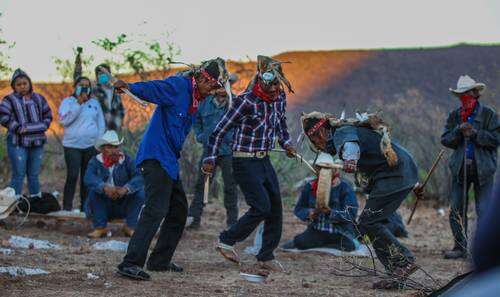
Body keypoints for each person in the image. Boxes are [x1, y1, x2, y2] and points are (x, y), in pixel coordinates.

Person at [113, 58, 230, 281]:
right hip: (155, 155)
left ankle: (159, 261)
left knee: (178, 211)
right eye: (213, 86)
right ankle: (130, 263)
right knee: (155, 209)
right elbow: (155, 88)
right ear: (204, 78)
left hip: (169, 161)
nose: (213, 91)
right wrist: (129, 87)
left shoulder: (198, 99)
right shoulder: (179, 87)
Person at [301, 111, 423, 289]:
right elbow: (382, 153)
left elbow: (351, 145)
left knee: (368, 222)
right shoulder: (344, 133)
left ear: (319, 133)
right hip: (400, 173)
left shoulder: (341, 132)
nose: (316, 145)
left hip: (395, 175)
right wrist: (415, 183)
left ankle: (403, 263)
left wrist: (350, 159)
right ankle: (396, 274)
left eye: (314, 140)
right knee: (370, 222)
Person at [202, 55, 296, 273]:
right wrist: (210, 158)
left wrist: (287, 143)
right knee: (261, 206)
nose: (274, 90)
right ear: (261, 80)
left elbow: (281, 123)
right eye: (270, 85)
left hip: (264, 159)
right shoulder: (246, 101)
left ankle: (266, 256)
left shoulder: (280, 97)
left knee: (275, 208)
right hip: (243, 160)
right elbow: (219, 131)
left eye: (277, 85)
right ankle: (226, 240)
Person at [441, 75, 498, 260]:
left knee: (484, 210)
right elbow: (446, 139)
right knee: (457, 209)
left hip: (484, 170)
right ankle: (460, 248)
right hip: (460, 170)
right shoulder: (454, 115)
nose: (464, 97)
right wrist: (458, 130)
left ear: (475, 93)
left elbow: (496, 139)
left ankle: (485, 250)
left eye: (467, 93)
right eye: (461, 94)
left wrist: (474, 133)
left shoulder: (489, 114)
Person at [187, 74, 239, 230]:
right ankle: (194, 219)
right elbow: (196, 120)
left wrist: (233, 140)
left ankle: (232, 222)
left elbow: (242, 123)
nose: (224, 87)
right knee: (202, 184)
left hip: (228, 151)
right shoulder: (204, 102)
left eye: (227, 84)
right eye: (221, 84)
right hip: (209, 150)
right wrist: (201, 136)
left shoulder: (235, 102)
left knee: (230, 186)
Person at [281, 157, 359, 251]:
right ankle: (325, 246)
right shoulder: (310, 186)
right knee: (300, 242)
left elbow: (351, 214)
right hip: (317, 230)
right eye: (320, 168)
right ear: (316, 169)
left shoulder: (345, 187)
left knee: (349, 246)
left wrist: (331, 212)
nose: (323, 171)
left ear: (335, 170)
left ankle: (325, 246)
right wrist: (310, 213)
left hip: (340, 232)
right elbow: (299, 209)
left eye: (328, 168)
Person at [0, 69, 53, 198]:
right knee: (18, 174)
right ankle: (13, 204)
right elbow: (3, 117)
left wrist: (43, 125)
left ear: (29, 83)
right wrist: (18, 128)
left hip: (37, 142)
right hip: (18, 142)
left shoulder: (39, 98)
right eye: (18, 84)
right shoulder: (9, 100)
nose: (22, 86)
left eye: (25, 83)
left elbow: (48, 115)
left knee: (33, 174)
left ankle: (35, 202)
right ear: (14, 86)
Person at [84, 130, 144, 238]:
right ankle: (100, 227)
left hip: (123, 203)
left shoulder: (127, 160)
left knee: (140, 192)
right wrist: (104, 187)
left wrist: (126, 188)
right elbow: (88, 178)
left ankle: (130, 226)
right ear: (102, 148)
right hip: (104, 205)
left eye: (116, 147)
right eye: (110, 147)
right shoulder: (95, 161)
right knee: (94, 191)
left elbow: (139, 176)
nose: (114, 150)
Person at [59, 76, 105, 211]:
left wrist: (99, 142)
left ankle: (85, 208)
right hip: (72, 146)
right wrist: (78, 104)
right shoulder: (68, 102)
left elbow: (101, 124)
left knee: (87, 178)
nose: (85, 88)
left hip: (91, 146)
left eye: (87, 85)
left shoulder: (95, 103)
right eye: (81, 85)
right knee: (72, 176)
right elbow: (64, 120)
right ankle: (67, 208)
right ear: (75, 86)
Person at [94, 64, 125, 131]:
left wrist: (120, 121)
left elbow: (120, 108)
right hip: (99, 129)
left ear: (109, 74)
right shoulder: (94, 91)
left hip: (115, 126)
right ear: (97, 76)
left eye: (105, 73)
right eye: (100, 74)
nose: (102, 75)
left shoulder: (115, 90)